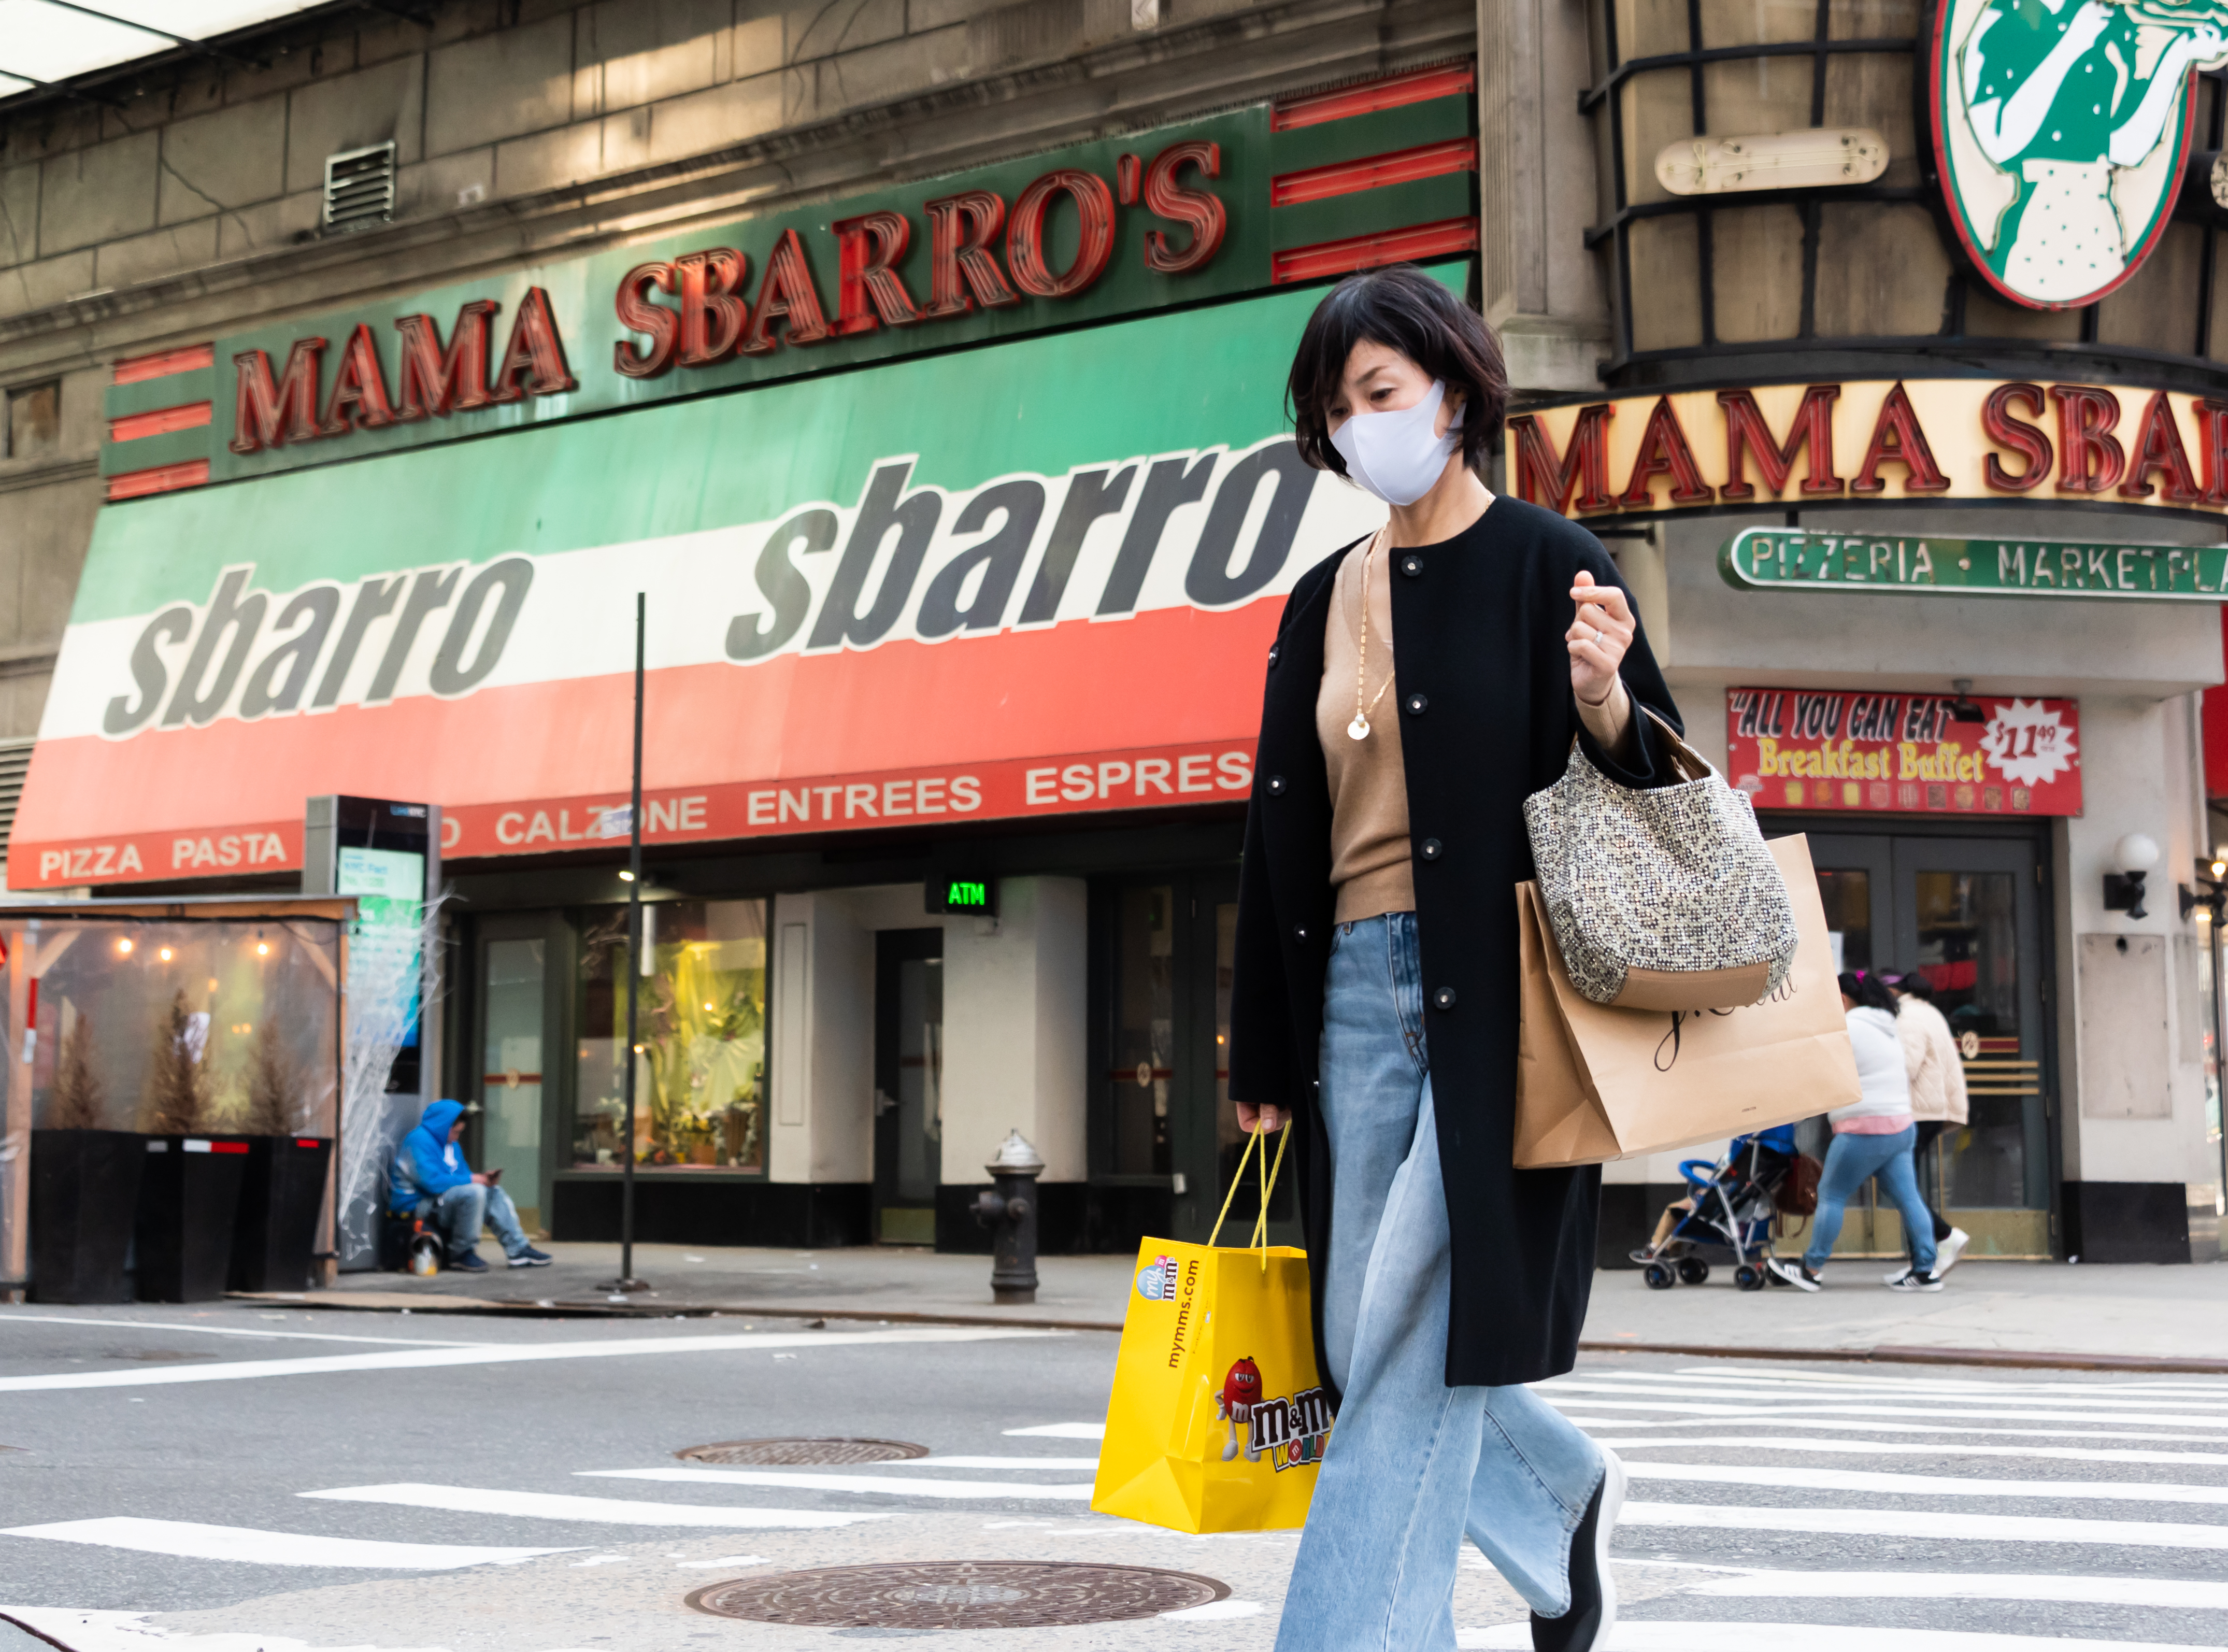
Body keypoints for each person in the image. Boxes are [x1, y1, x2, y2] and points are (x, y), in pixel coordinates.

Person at [1229, 264, 1684, 1652]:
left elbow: (1663, 808)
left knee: (1418, 1333)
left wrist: (1604, 696)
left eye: (1379, 392)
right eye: (1336, 405)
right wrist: (1260, 1042)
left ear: (1453, 388)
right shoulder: (1317, 602)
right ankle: (1551, 1488)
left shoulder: (1554, 564)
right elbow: (1278, 835)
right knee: (1362, 1344)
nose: (1360, 425)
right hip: (1353, 999)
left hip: (1508, 1000)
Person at [1766, 973, 1943, 1293]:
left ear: (1844, 999)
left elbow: (1817, 1069)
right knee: (1909, 1199)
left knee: (1832, 1195)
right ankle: (1926, 1271)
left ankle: (1811, 1269)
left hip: (1863, 1128)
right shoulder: (1887, 1026)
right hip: (1902, 1126)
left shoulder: (1849, 1028)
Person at [389, 1098, 551, 1273]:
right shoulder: (418, 1141)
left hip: (441, 1202)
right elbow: (432, 1183)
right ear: (444, 1126)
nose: (458, 1137)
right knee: (474, 1192)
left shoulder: (452, 1145)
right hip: (418, 1206)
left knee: (491, 1191)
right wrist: (475, 1179)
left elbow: (463, 1177)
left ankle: (518, 1249)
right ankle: (460, 1253)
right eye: (456, 1132)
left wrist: (482, 1180)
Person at [1887, 970, 1969, 1282]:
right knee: (1906, 1185)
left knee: (1903, 1187)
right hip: (1930, 1109)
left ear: (1895, 993)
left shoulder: (1907, 1017)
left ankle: (1942, 1239)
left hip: (1917, 1111)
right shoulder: (1929, 1012)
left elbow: (1905, 1066)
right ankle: (1921, 1261)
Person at [1630, 1124, 1798, 1264]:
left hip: (1723, 1204)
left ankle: (1656, 1248)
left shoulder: (1742, 1159)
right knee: (1696, 1205)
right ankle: (1670, 1249)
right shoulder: (1775, 1161)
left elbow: (1724, 1182)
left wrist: (1705, 1188)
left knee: (1675, 1209)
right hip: (1749, 1206)